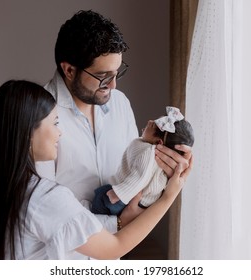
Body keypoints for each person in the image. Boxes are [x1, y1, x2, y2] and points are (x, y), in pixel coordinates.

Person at [0, 80, 192, 260]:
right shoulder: (43, 197)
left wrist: (120, 222)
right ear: (28, 132)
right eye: (55, 123)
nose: (60, 133)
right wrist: (170, 195)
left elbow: (64, 225)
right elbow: (112, 249)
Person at [36, 10, 193, 251]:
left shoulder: (119, 103)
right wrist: (118, 222)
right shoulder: (38, 116)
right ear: (69, 70)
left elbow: (135, 174)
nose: (113, 85)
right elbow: (43, 213)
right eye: (103, 76)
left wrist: (168, 168)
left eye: (117, 72)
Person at [91, 106, 194, 215]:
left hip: (123, 197)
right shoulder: (150, 149)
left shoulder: (148, 153)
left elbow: (140, 177)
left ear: (159, 143)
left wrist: (118, 194)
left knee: (100, 199)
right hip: (131, 198)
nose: (149, 121)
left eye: (153, 125)